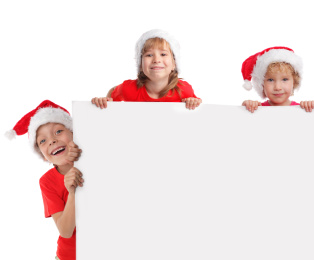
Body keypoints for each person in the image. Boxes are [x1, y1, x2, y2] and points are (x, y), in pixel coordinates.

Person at [6, 100, 84, 260]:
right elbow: (66, 231)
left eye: (58, 131)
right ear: (42, 156)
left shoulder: (94, 160)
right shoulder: (47, 181)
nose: (52, 141)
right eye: (42, 140)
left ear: (74, 133)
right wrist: (72, 193)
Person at [91, 29, 201, 109]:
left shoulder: (184, 89)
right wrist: (105, 101)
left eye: (163, 54)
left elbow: (198, 109)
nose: (156, 60)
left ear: (174, 64)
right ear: (140, 65)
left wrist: (193, 102)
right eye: (149, 55)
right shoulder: (128, 88)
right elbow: (113, 92)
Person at [241, 46, 314, 112]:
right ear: (261, 85)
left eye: (284, 79)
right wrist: (246, 108)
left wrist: (313, 108)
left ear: (294, 82)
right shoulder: (256, 109)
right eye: (270, 80)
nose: (278, 87)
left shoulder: (302, 109)